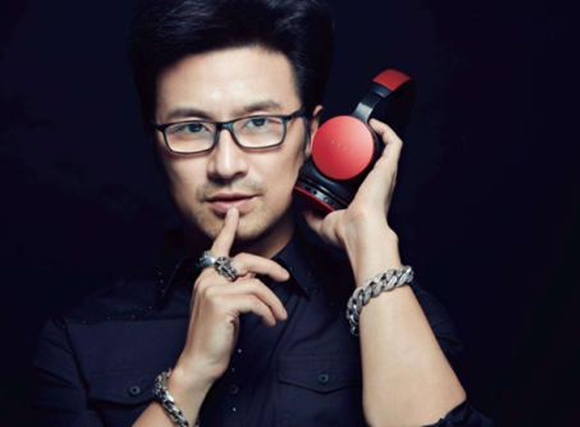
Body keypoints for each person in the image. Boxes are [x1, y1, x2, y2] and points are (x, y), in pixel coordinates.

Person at [31, 0, 493, 426]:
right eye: (191, 128)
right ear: (156, 143)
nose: (226, 165)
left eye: (258, 123)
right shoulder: (78, 341)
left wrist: (370, 240)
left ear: (313, 134)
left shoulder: (395, 312)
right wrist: (190, 377)